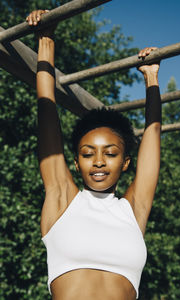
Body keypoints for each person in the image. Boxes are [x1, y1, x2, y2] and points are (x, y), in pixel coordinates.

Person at [26, 9, 161, 300]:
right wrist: (46, 40)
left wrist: (152, 79)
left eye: (110, 153)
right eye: (88, 154)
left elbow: (152, 142)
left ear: (125, 163)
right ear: (76, 162)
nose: (98, 161)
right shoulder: (62, 199)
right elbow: (47, 112)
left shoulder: (132, 212)